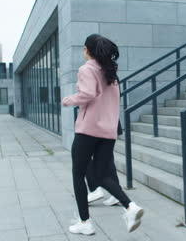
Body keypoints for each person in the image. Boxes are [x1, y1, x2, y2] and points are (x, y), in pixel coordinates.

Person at [62, 34, 144, 236]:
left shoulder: (87, 69)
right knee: (102, 175)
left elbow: (88, 94)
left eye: (84, 48)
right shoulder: (111, 72)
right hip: (107, 132)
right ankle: (130, 206)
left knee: (78, 174)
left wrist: (68, 100)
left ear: (87, 50)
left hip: (88, 130)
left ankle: (85, 222)